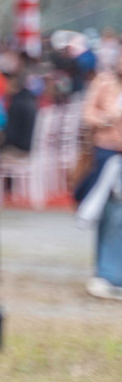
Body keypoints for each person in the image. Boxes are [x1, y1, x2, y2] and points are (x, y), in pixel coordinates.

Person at [79, 52, 122, 300]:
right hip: (107, 154)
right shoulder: (105, 82)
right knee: (109, 213)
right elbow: (88, 114)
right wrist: (108, 119)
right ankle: (107, 273)